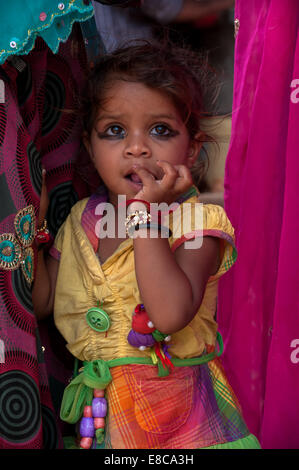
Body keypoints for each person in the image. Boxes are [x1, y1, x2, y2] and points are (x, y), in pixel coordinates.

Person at [32, 41, 260, 449]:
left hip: (184, 431)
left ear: (190, 148)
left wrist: (145, 215)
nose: (137, 147)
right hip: (102, 423)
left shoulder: (196, 222)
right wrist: (32, 223)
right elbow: (42, 302)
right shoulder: (82, 218)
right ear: (89, 146)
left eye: (160, 130)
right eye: (115, 131)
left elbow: (169, 314)